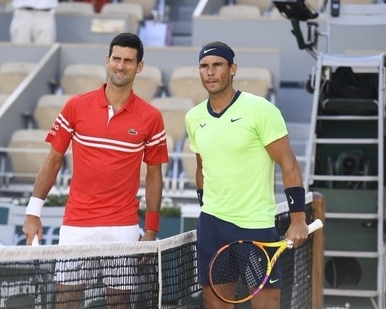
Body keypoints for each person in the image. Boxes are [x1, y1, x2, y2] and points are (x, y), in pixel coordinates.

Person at [22, 32, 169, 307]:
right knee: (65, 301)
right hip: (77, 223)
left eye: (128, 61)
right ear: (107, 61)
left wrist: (151, 228)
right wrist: (33, 212)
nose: (120, 66)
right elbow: (53, 159)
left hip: (123, 226)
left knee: (119, 303)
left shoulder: (151, 117)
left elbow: (154, 174)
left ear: (139, 67)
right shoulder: (76, 106)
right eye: (116, 59)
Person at [184, 41, 309, 309]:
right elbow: (201, 167)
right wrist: (207, 206)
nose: (210, 72)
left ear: (233, 69)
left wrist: (298, 218)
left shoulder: (260, 110)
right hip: (213, 225)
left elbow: (288, 164)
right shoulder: (194, 117)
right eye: (204, 67)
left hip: (254, 227)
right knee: (215, 302)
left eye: (217, 65)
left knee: (266, 303)